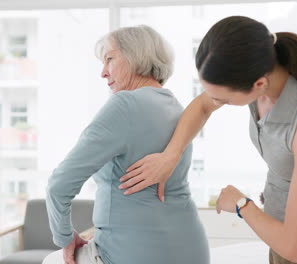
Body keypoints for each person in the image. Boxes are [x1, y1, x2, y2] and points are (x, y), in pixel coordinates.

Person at [119, 16, 297, 264]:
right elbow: (202, 107)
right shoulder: (260, 83)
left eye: (224, 99)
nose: (216, 101)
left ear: (258, 84)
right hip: (278, 235)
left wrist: (241, 204)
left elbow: (295, 248)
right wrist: (169, 157)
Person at [45, 25, 209, 264]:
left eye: (109, 59)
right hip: (191, 249)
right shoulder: (175, 107)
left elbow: (59, 185)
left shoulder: (124, 105)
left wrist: (64, 237)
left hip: (134, 253)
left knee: (53, 260)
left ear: (136, 56)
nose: (103, 72)